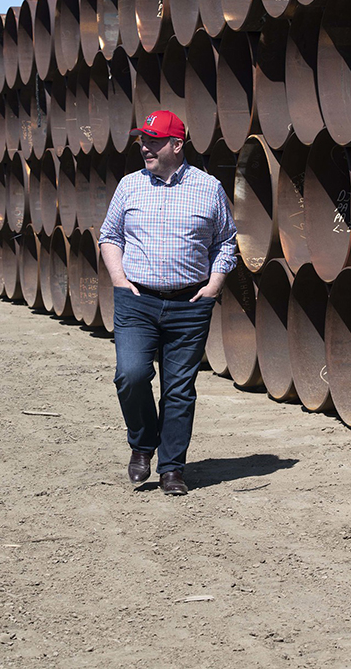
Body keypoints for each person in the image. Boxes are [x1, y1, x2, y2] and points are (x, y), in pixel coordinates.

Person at [98, 110, 237, 495]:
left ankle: (172, 467)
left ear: (177, 145)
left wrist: (213, 286)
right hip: (137, 300)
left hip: (189, 303)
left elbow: (227, 241)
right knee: (131, 375)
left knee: (179, 389)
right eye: (143, 140)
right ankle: (142, 443)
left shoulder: (208, 188)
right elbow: (109, 235)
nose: (144, 147)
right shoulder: (129, 186)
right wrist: (119, 281)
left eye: (153, 141)